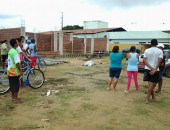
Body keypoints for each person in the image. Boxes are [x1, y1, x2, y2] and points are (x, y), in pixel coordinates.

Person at [143, 39, 163, 104]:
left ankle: (153, 97)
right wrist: (154, 69)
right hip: (156, 70)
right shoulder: (160, 51)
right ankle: (147, 99)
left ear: (150, 43)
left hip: (147, 69)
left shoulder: (147, 50)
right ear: (157, 44)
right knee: (152, 85)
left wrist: (151, 68)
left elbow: (144, 60)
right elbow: (160, 61)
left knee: (150, 85)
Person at [7, 39, 22, 103]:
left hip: (9, 71)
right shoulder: (15, 52)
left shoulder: (10, 50)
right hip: (14, 71)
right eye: (16, 42)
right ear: (15, 44)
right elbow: (17, 63)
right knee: (16, 85)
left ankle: (13, 98)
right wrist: (20, 71)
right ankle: (15, 99)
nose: (18, 43)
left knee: (12, 85)